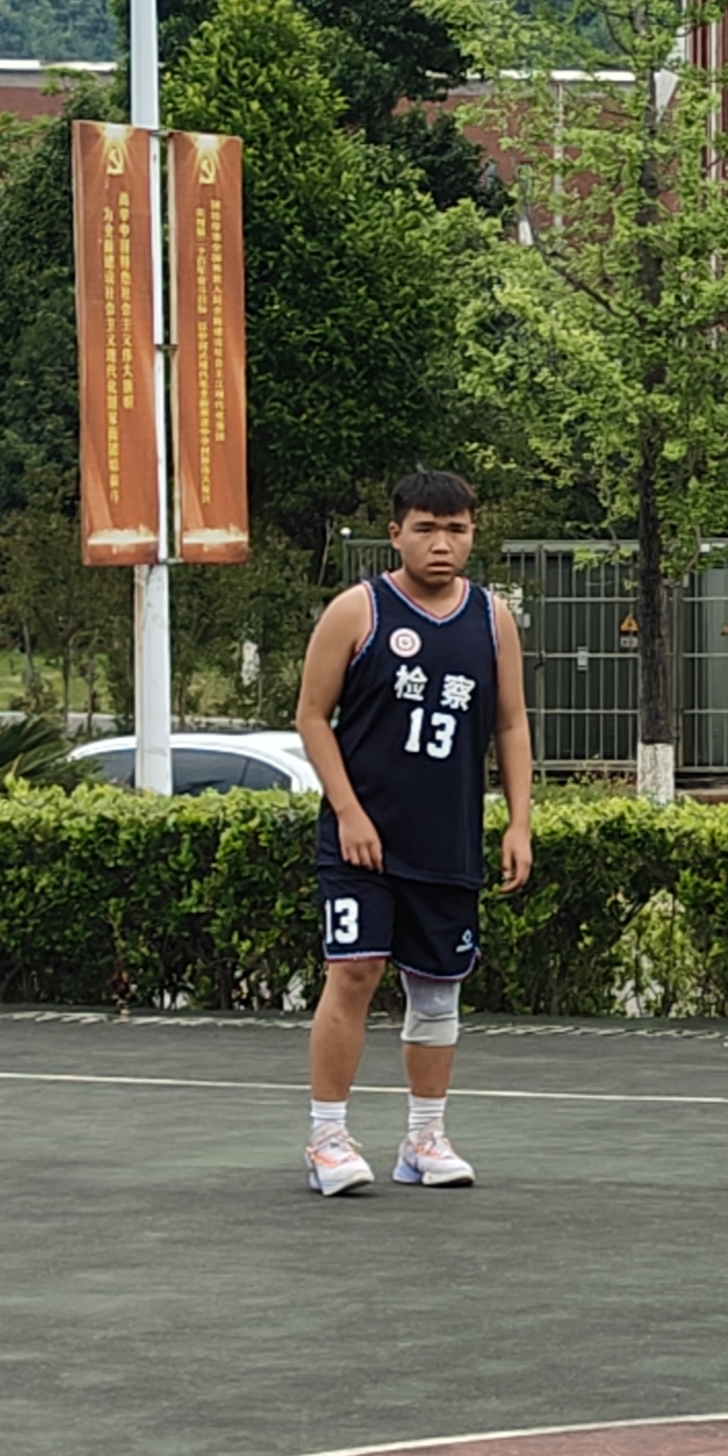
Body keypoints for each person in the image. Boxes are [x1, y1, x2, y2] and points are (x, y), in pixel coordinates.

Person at [291, 469, 533, 1196]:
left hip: (447, 839)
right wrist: (348, 811)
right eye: (426, 528)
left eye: (456, 529)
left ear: (473, 534)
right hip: (362, 841)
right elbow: (311, 716)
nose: (441, 543)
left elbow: (511, 723)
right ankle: (327, 1138)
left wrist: (519, 821)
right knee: (355, 971)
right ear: (396, 533)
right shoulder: (358, 610)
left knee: (436, 991)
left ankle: (424, 1137)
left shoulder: (491, 618)